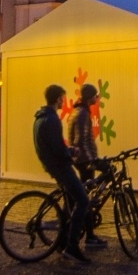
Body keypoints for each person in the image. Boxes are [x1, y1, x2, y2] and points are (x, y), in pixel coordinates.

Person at [33, 85, 90, 263]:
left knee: (70, 201)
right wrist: (72, 151)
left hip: (52, 165)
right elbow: (58, 149)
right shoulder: (52, 120)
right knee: (83, 201)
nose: (64, 102)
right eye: (63, 99)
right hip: (60, 167)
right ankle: (72, 246)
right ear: (58, 99)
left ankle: (62, 240)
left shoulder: (41, 118)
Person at [68, 84, 106, 249]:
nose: (97, 98)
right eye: (95, 95)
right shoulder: (83, 114)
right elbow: (81, 140)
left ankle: (89, 233)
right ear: (90, 96)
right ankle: (90, 236)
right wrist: (92, 160)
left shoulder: (78, 111)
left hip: (82, 159)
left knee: (86, 196)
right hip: (84, 161)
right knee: (87, 199)